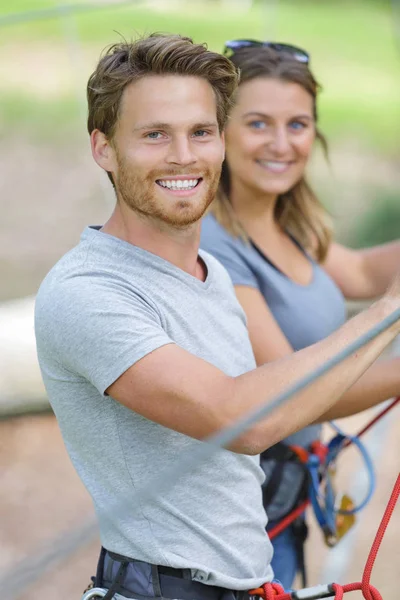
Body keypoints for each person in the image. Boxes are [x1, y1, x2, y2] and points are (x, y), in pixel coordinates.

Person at [34, 34, 400, 600]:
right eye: (155, 134)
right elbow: (243, 421)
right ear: (103, 148)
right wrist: (389, 313)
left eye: (200, 132)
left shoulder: (211, 271)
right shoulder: (87, 291)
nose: (184, 155)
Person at [200, 40, 400, 590]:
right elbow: (296, 393)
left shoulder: (285, 219)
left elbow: (359, 272)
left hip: (286, 494)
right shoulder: (215, 242)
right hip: (246, 509)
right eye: (259, 123)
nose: (282, 144)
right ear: (218, 131)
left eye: (299, 124)